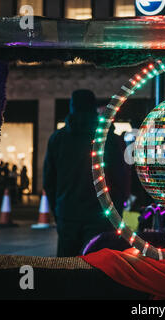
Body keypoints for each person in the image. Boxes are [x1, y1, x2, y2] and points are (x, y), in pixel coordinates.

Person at [43, 89, 128, 257]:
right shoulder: (107, 139)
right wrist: (116, 211)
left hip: (68, 214)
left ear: (72, 107)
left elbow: (49, 180)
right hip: (101, 215)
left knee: (67, 269)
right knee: (96, 268)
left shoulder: (58, 139)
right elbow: (121, 178)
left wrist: (58, 210)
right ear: (93, 107)